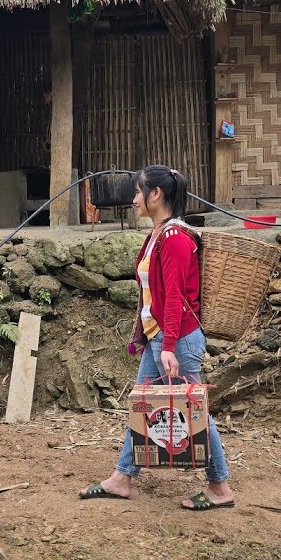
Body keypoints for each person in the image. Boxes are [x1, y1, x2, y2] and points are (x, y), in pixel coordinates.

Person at [78, 165, 235, 511]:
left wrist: (167, 347)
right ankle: (122, 478)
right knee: (142, 408)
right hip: (160, 338)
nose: (133, 200)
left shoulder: (175, 239)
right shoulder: (158, 235)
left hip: (176, 340)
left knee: (195, 412)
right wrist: (152, 339)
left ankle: (219, 487)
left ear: (156, 195)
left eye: (137, 192)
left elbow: (176, 297)